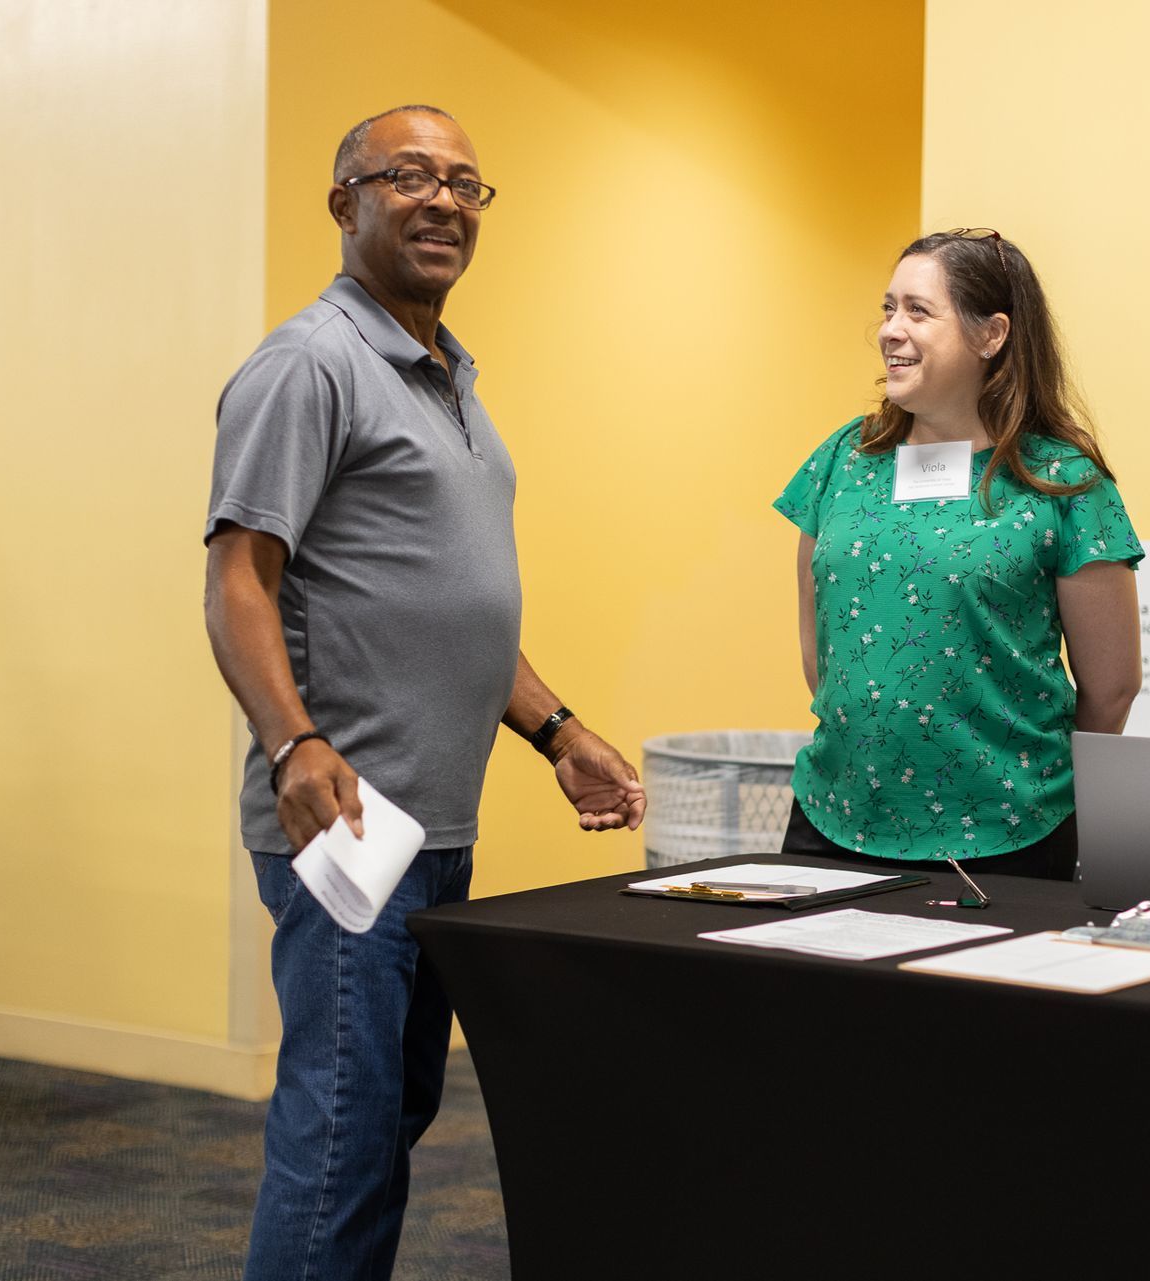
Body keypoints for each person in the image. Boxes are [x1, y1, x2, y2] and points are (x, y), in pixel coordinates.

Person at [203, 104, 645, 1281]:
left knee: (387, 1123)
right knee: (343, 1132)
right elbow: (239, 579)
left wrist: (556, 731)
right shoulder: (311, 365)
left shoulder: (448, 377)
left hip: (435, 824)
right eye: (406, 175)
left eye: (464, 182)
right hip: (347, 821)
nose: (442, 199)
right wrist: (294, 744)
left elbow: (445, 604)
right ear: (342, 202)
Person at [774, 229, 1143, 880]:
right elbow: (821, 658)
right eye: (888, 308)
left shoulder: (1061, 479)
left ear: (991, 334)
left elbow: (1111, 689)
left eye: (918, 311)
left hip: (1011, 833)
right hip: (837, 817)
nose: (890, 329)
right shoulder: (845, 459)